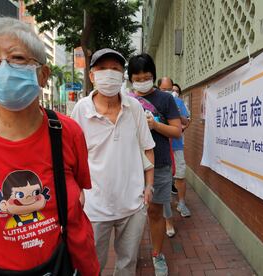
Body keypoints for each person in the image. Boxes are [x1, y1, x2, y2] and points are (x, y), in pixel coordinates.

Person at [0, 17, 99, 275]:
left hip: (61, 264)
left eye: (17, 58)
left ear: (43, 74)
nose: (3, 69)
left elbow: (79, 197)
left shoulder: (66, 131)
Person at [71, 48, 155, 276]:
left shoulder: (134, 107)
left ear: (122, 76)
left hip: (133, 204)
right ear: (91, 75)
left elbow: (147, 147)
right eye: (102, 69)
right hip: (94, 206)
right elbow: (70, 157)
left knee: (128, 263)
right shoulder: (81, 110)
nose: (109, 74)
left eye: (115, 69)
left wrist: (149, 186)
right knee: (91, 265)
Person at [127, 54, 182, 276]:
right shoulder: (124, 100)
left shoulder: (165, 99)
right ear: (131, 79)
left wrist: (155, 125)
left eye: (147, 77)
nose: (142, 81)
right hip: (130, 166)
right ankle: (129, 255)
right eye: (137, 78)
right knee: (130, 215)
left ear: (154, 76)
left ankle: (157, 255)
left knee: (156, 212)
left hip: (159, 164)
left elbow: (177, 130)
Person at [157, 78, 191, 238]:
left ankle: (182, 203)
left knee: (180, 176)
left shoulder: (177, 101)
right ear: (158, 88)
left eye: (170, 89)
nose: (168, 92)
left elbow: (186, 121)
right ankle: (167, 219)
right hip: (159, 148)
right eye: (164, 89)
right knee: (162, 183)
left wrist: (179, 120)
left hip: (176, 146)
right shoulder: (152, 102)